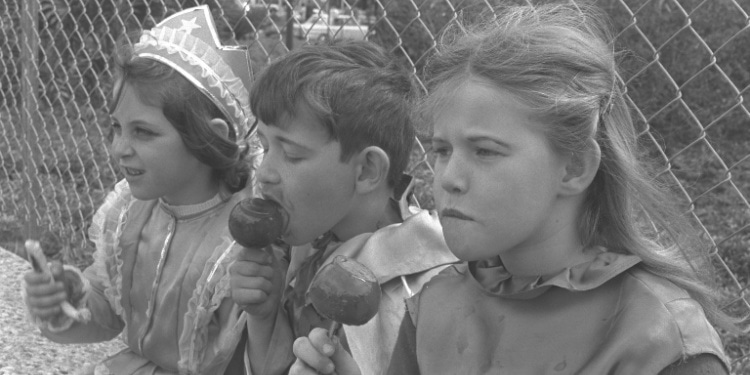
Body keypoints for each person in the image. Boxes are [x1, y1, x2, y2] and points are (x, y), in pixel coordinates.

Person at [290, 2, 737, 375]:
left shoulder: (657, 339)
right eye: (442, 150)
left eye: (484, 151)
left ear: (574, 167)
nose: (448, 178)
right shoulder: (434, 308)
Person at [22, 5, 257, 374]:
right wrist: (68, 297)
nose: (118, 148)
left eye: (143, 132)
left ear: (212, 137)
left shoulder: (241, 242)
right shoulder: (129, 213)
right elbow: (110, 310)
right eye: (116, 127)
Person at [228, 39, 458, 375]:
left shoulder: (427, 289)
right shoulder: (310, 244)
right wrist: (264, 316)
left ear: (366, 170)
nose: (263, 174)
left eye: (291, 154)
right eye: (264, 147)